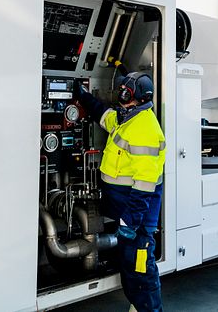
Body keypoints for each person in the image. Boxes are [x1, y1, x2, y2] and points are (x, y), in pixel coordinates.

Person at [75, 71, 165, 312]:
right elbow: (105, 117)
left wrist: (130, 221)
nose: (120, 94)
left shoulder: (144, 128)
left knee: (140, 270)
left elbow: (145, 185)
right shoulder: (128, 118)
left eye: (124, 91)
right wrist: (83, 97)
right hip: (127, 214)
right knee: (131, 270)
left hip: (137, 220)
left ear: (131, 95)